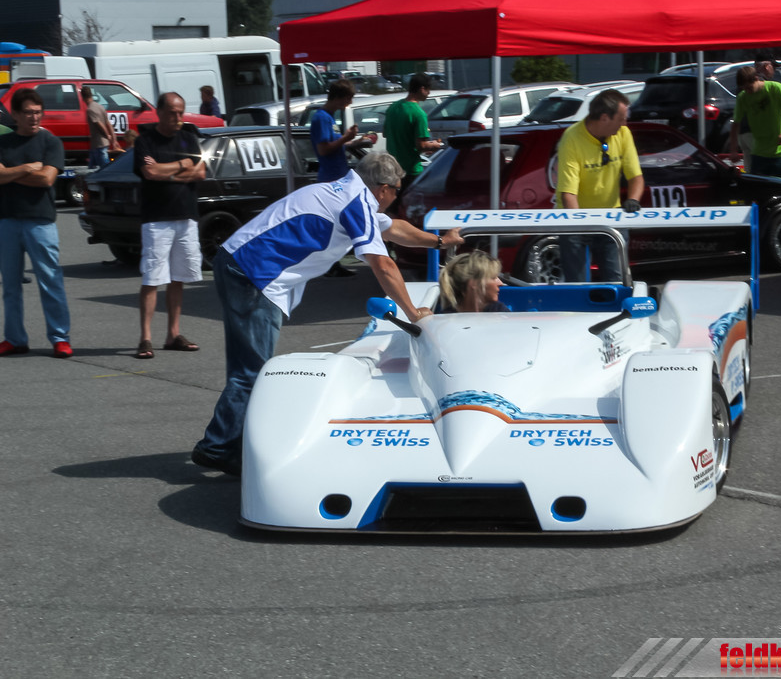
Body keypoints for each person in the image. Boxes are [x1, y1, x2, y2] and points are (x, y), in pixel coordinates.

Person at [191, 152, 463, 475]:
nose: (396, 198)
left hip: (239, 264)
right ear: (383, 189)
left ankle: (228, 442)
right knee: (251, 371)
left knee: (246, 368)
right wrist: (413, 312)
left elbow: (394, 229)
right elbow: (383, 264)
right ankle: (218, 447)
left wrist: (439, 241)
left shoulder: (345, 192)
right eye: (397, 191)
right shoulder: (356, 203)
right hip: (254, 274)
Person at [0, 88, 73, 358]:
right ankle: (15, 339)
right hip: (7, 220)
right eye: (28, 113)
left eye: (38, 112)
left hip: (41, 223)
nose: (34, 117)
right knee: (10, 286)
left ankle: (60, 338)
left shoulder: (50, 142)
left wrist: (10, 174)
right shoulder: (4, 143)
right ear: (16, 115)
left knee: (50, 281)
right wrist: (27, 168)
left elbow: (46, 179)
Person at [133, 92, 206, 359]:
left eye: (181, 112)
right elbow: (149, 172)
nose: (177, 118)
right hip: (157, 220)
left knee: (178, 278)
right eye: (172, 113)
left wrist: (167, 171)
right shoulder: (145, 141)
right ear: (160, 112)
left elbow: (200, 172)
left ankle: (173, 334)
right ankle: (146, 338)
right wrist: (181, 165)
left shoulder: (189, 138)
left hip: (186, 218)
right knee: (152, 278)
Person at [555, 88, 644, 282]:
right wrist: (581, 226)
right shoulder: (571, 138)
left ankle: (616, 303)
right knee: (578, 284)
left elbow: (636, 177)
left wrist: (633, 200)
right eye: (621, 119)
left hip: (611, 217)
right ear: (604, 118)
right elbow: (568, 194)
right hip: (576, 218)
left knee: (617, 279)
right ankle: (579, 303)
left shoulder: (623, 133)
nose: (625, 123)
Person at [729, 66, 781, 180]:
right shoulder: (743, 97)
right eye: (744, 88)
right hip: (759, 151)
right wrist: (733, 150)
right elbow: (735, 124)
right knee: (759, 186)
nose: (747, 91)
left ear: (756, 78)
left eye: (749, 87)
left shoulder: (776, 88)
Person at [384, 72, 444, 192]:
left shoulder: (393, 107)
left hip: (392, 168)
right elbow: (421, 145)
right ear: (422, 89)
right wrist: (434, 145)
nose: (429, 93)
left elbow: (385, 134)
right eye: (428, 90)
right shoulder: (419, 114)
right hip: (410, 170)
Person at [310, 78, 373, 183]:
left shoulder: (329, 116)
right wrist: (345, 138)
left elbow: (336, 144)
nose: (350, 102)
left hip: (338, 176)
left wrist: (355, 142)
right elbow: (323, 150)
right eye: (348, 98)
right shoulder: (322, 118)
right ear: (337, 97)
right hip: (330, 178)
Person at [736, 54, 779, 170]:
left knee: (750, 170)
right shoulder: (760, 84)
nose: (774, 71)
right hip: (755, 134)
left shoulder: (745, 80)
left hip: (743, 133)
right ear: (767, 66)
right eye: (773, 67)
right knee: (763, 169)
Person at [438, 250, 509, 313]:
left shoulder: (499, 311)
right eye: (493, 278)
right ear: (474, 283)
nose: (501, 283)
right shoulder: (446, 319)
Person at [82, 85, 119, 168]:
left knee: (104, 168)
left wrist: (107, 136)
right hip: (98, 145)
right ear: (91, 95)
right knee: (92, 168)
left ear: (82, 97)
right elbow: (108, 123)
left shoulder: (90, 109)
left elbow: (99, 124)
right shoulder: (100, 106)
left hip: (99, 144)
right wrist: (114, 139)